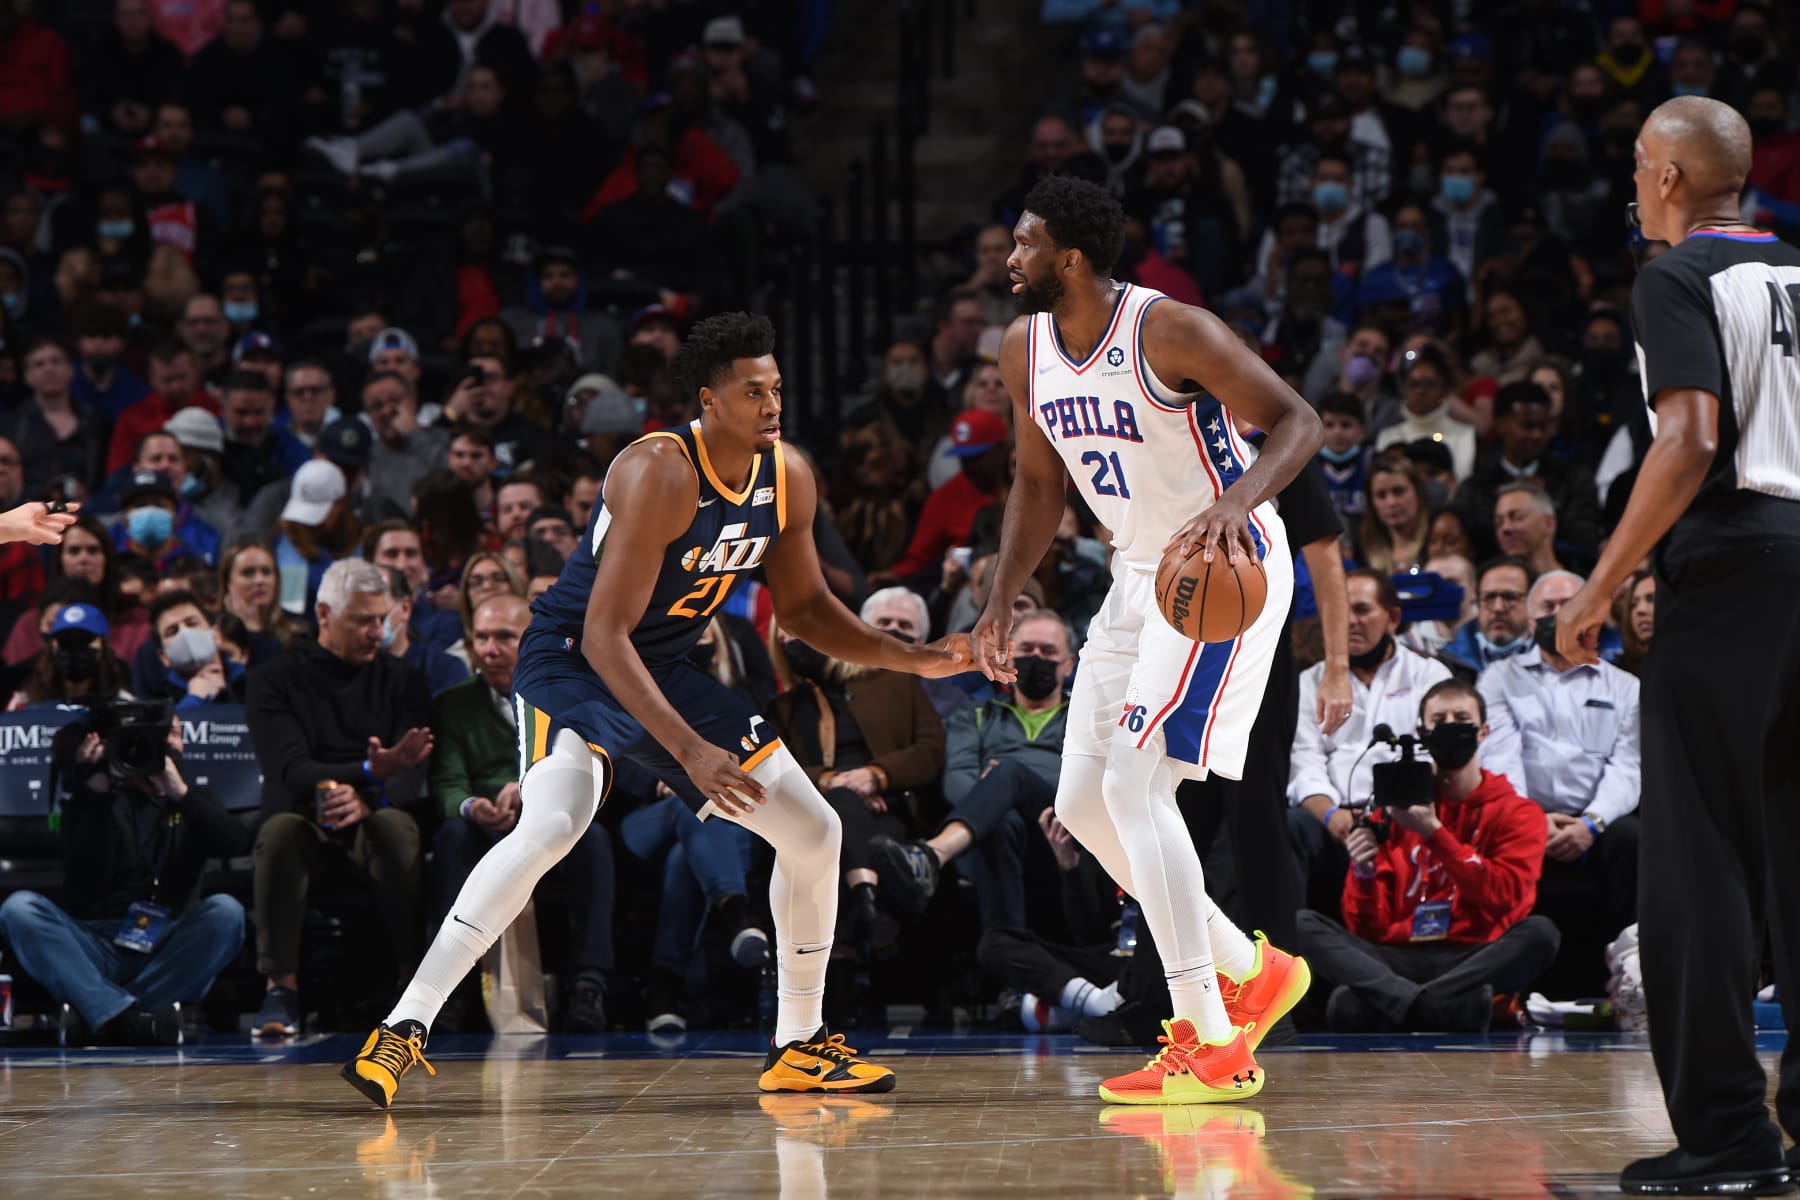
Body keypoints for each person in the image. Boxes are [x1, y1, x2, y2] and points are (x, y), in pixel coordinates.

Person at [342, 313, 972, 1108]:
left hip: (665, 665)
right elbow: (605, 636)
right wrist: (691, 751)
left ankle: (799, 1045)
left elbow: (808, 608)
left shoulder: (790, 475)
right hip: (573, 661)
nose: (773, 404)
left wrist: (917, 655)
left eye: (777, 388)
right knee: (553, 825)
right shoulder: (658, 471)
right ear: (708, 400)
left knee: (815, 830)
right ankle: (402, 1028)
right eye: (753, 392)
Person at [972, 175, 1321, 1105]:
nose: (1009, 259)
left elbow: (1300, 420)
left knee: (1136, 782)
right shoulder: (1025, 347)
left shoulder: (1169, 330)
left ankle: (1211, 1036)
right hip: (1139, 576)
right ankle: (1249, 968)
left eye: (1024, 243)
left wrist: (1233, 506)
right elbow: (1037, 483)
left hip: (1221, 574)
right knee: (1085, 803)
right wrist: (1003, 596)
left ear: (1071, 259)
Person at [1554, 97, 1800, 1196]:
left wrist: (1601, 584)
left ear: (1665, 176)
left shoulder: (1677, 277)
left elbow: (1692, 435)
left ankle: (1728, 1140)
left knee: (1697, 864)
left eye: (1640, 168)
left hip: (1735, 572)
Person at [1296, 679, 1558, 1032]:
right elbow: (1366, 928)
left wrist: (1434, 833)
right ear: (1422, 732)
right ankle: (1437, 1007)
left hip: (1473, 954)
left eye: (1461, 717)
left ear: (1483, 731)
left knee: (1541, 933)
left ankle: (1400, 1005)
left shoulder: (1518, 813)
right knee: (1301, 925)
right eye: (1440, 719)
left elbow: (1505, 900)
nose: (1450, 725)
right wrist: (1364, 873)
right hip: (1396, 957)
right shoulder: (1392, 808)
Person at [245, 559, 434, 1039]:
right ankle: (280, 988)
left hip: (376, 815)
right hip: (303, 814)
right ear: (324, 613)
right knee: (278, 832)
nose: (377, 632)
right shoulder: (273, 679)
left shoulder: (403, 679)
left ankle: (414, 985)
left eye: (382, 619)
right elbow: (291, 769)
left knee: (395, 826)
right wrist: (368, 771)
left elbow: (415, 772)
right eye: (363, 621)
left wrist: (371, 795)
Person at [0, 707, 245, 1045]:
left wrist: (179, 793)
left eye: (173, 734)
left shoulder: (193, 801)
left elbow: (235, 842)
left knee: (227, 912)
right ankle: (139, 1019)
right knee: (19, 909)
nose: (166, 743)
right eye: (155, 736)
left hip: (169, 948)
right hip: (95, 946)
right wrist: (94, 796)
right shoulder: (97, 799)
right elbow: (82, 875)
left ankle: (102, 1013)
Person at [427, 592, 615, 1033]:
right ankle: (451, 993)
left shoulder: (568, 693)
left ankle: (589, 985)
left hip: (551, 818)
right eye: (481, 638)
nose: (489, 649)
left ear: (530, 640)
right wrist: (473, 806)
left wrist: (532, 791)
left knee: (594, 838)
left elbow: (593, 768)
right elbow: (445, 782)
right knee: (451, 837)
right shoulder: (454, 704)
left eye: (503, 638)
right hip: (484, 826)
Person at [1479, 571, 1640, 995]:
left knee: (1633, 837)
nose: (1559, 614)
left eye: (1569, 603)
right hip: (1527, 815)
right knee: (1493, 829)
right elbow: (1500, 759)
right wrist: (1532, 821)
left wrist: (1591, 823)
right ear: (1530, 622)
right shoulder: (1499, 679)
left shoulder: (1625, 687)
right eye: (1548, 608)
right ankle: (1508, 991)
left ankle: (1627, 981)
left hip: (1597, 823)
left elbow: (1627, 767)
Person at [868, 609, 1072, 929]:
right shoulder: (976, 713)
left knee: (1009, 772)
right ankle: (1006, 944)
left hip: (1060, 820)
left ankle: (933, 855)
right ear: (1009, 654)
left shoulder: (1083, 717)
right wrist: (997, 797)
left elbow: (1086, 780)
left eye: (1048, 652)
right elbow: (956, 779)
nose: (1036, 657)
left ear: (1068, 664)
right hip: (998, 828)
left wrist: (1002, 784)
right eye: (1027, 649)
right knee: (1002, 816)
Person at [1287, 570, 1451, 912]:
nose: (1349, 621)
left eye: (1361, 610)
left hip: (1403, 816)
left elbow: (1436, 759)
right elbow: (1305, 761)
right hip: (1333, 819)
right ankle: (1285, 945)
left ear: (1393, 618)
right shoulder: (1309, 682)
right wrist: (1330, 813)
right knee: (1290, 826)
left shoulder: (1429, 676)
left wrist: (1388, 812)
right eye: (1341, 610)